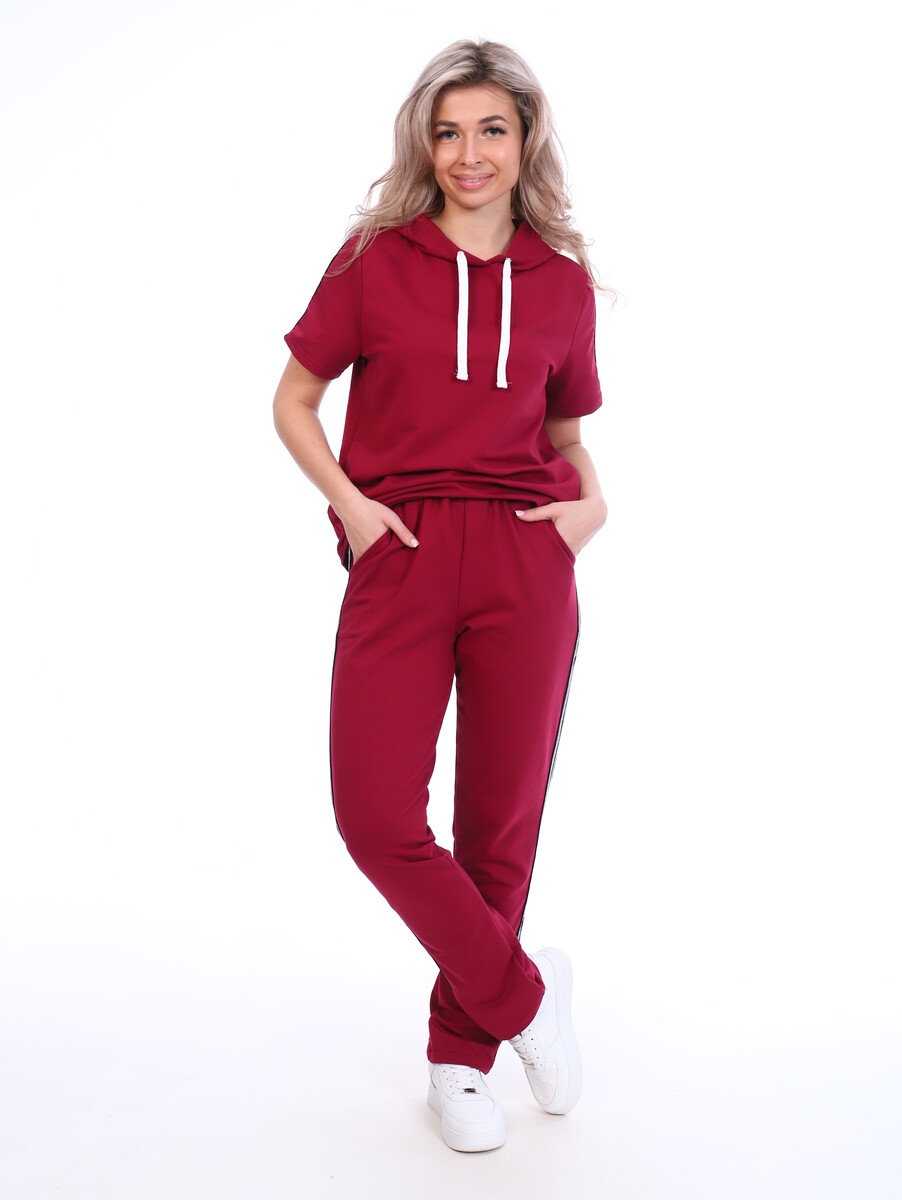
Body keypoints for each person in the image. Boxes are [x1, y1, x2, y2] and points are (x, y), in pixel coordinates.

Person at [272, 38, 613, 1153]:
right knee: (375, 817)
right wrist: (352, 508)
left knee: (496, 825)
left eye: (491, 130)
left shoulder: (560, 282)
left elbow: (564, 432)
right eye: (448, 131)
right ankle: (525, 999)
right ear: (424, 144)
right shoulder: (375, 259)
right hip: (403, 547)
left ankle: (459, 1061)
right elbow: (293, 399)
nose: (469, 153)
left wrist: (593, 503)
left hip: (525, 556)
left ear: (526, 141)